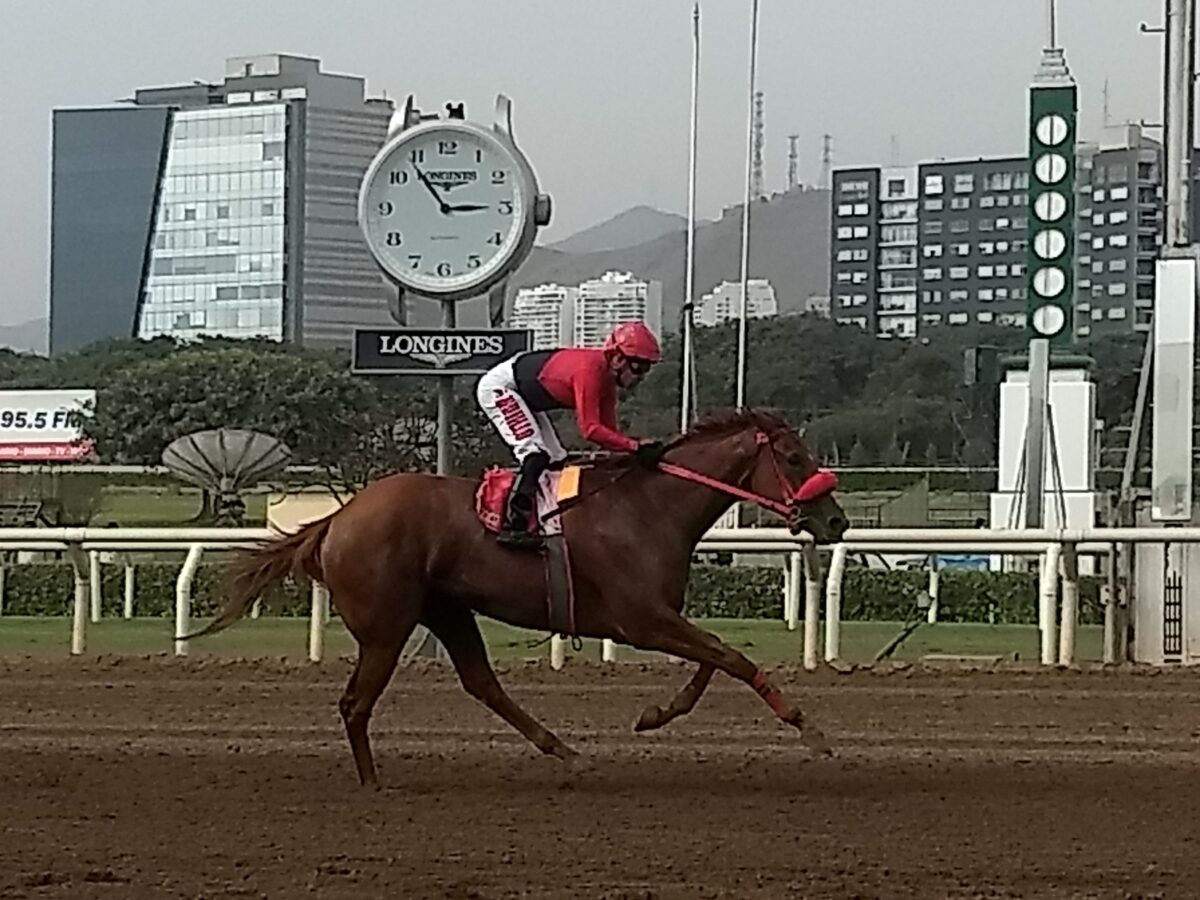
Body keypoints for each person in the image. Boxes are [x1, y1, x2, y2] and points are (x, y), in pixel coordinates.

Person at [476, 321, 666, 548]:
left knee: (557, 460)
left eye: (646, 369)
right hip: (500, 387)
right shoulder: (590, 372)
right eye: (638, 367)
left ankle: (546, 520)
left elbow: (610, 435)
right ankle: (514, 526)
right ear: (617, 359)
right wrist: (636, 446)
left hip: (523, 393)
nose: (641, 376)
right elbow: (590, 430)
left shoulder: (607, 382)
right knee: (535, 455)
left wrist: (636, 450)